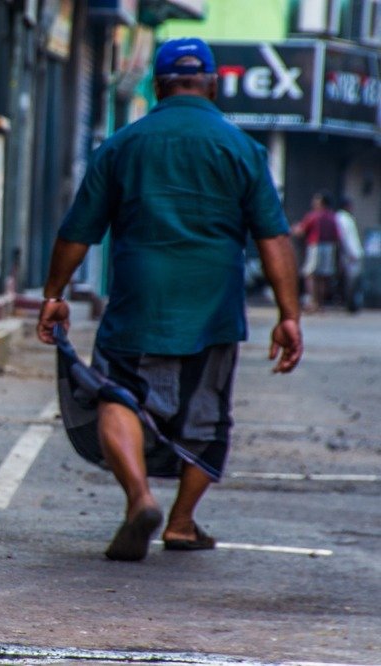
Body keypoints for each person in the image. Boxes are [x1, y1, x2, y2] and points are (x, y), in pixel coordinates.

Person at [35, 38, 303, 562]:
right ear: (213, 84)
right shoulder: (243, 149)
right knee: (206, 416)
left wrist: (53, 294)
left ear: (157, 86)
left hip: (139, 300)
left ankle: (140, 497)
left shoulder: (122, 145)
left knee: (117, 395)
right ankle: (181, 522)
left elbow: (77, 231)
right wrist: (289, 316)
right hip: (214, 306)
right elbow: (274, 238)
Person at [291, 192, 340, 313]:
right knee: (323, 276)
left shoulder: (314, 216)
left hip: (315, 246)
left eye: (316, 201)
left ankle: (313, 302)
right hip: (329, 247)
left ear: (321, 203)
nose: (314, 203)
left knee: (311, 275)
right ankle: (321, 304)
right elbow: (337, 235)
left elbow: (301, 230)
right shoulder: (332, 217)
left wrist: (293, 229)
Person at [334, 196, 364, 313]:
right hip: (350, 253)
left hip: (352, 252)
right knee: (350, 280)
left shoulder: (347, 218)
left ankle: (350, 304)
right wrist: (350, 252)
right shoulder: (342, 218)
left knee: (351, 280)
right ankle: (349, 304)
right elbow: (344, 237)